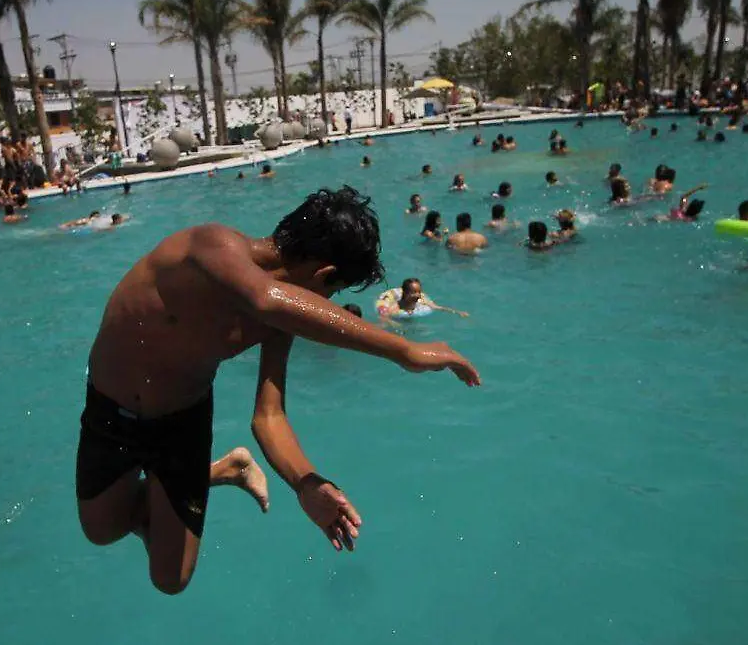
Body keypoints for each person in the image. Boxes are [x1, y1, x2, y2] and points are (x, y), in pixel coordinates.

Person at [75, 187, 478, 595]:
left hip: (182, 421)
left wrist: (306, 484)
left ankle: (225, 469)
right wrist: (404, 350)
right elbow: (266, 299)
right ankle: (220, 472)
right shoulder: (210, 245)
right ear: (323, 276)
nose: (325, 304)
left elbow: (269, 415)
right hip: (112, 410)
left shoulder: (281, 318)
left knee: (170, 579)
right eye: (333, 294)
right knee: (102, 530)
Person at [377, 277, 469, 321]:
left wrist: (458, 312)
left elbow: (438, 307)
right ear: (404, 292)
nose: (417, 295)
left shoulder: (423, 301)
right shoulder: (396, 307)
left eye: (419, 292)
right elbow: (385, 317)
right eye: (413, 292)